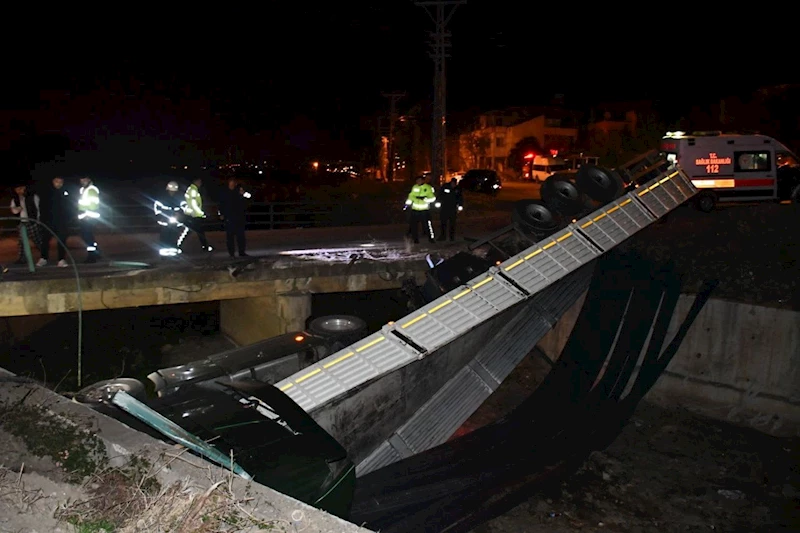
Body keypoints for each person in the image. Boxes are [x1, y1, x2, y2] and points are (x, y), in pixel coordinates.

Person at [9, 182, 46, 266]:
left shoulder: (33, 197)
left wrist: (38, 220)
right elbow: (13, 210)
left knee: (37, 240)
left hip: (32, 221)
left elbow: (38, 209)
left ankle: (44, 255)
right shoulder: (15, 199)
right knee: (22, 242)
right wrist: (16, 210)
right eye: (17, 189)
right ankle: (22, 258)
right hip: (21, 222)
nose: (19, 191)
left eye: (21, 189)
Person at [41, 176, 71, 267]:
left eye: (61, 182)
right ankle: (43, 258)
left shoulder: (66, 192)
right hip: (48, 220)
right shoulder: (47, 193)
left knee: (62, 240)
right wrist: (43, 219)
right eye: (57, 181)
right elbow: (42, 206)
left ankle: (61, 259)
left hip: (62, 221)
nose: (59, 184)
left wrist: (69, 219)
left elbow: (70, 206)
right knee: (45, 240)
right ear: (53, 182)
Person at [218, 179, 251, 258]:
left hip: (239, 217)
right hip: (229, 217)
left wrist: (243, 194)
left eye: (233, 183)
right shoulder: (225, 193)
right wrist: (221, 214)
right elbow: (221, 204)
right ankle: (231, 253)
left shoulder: (239, 191)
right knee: (230, 236)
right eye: (231, 183)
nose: (232, 185)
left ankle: (241, 252)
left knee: (241, 236)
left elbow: (249, 197)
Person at [154, 181, 187, 258]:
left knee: (174, 236)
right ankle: (164, 253)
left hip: (175, 221)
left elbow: (184, 206)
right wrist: (161, 217)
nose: (172, 193)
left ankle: (173, 252)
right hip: (164, 221)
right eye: (171, 191)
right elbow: (157, 209)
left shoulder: (179, 197)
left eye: (173, 191)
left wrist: (180, 214)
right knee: (165, 236)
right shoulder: (162, 198)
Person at [180, 177, 213, 252]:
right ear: (196, 181)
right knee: (197, 231)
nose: (200, 183)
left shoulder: (192, 189)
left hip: (191, 215)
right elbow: (194, 204)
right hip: (194, 215)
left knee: (194, 231)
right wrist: (201, 213)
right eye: (199, 182)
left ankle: (205, 246)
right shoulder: (193, 191)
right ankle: (205, 246)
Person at [405, 174, 437, 244]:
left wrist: (425, 199)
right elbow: (411, 196)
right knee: (414, 225)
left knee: (427, 225)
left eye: (419, 180)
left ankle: (431, 238)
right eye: (417, 181)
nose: (418, 182)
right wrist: (407, 203)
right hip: (415, 209)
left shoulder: (428, 187)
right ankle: (415, 239)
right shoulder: (415, 187)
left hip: (424, 210)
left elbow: (433, 198)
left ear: (422, 180)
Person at [77, 176, 100, 263]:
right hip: (85, 216)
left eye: (85, 179)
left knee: (87, 236)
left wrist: (86, 214)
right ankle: (96, 252)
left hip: (89, 216)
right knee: (87, 236)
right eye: (81, 179)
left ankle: (92, 256)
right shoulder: (83, 189)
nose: (83, 181)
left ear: (89, 179)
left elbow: (93, 204)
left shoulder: (91, 190)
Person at [436, 177, 464, 242]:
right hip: (444, 208)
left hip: (453, 208)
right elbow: (440, 195)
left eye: (454, 183)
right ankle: (443, 236)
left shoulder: (458, 189)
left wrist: (460, 206)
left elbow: (460, 198)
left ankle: (451, 237)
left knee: (452, 224)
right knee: (443, 223)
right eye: (452, 183)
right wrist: (438, 202)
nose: (453, 185)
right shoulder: (445, 187)